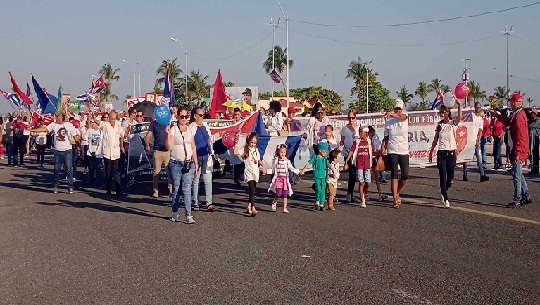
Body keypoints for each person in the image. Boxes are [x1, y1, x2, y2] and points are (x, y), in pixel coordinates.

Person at [490, 93, 533, 208]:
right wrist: (497, 116)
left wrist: (518, 152)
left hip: (519, 148)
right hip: (518, 147)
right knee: (518, 173)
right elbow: (509, 121)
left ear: (514, 103)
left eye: (510, 102)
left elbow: (521, 136)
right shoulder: (517, 114)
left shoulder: (519, 116)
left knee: (516, 175)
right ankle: (526, 195)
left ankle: (517, 199)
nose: (510, 104)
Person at [30, 113, 78, 194]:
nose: (56, 118)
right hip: (57, 151)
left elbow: (75, 135)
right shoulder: (53, 125)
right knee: (56, 170)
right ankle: (56, 186)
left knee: (69, 169)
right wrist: (32, 130)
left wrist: (77, 141)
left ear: (62, 118)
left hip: (67, 151)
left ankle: (70, 187)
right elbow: (44, 129)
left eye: (58, 116)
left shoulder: (69, 125)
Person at [428, 100, 462, 209]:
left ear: (447, 112)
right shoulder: (439, 126)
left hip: (451, 153)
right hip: (442, 153)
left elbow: (459, 117)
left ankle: (443, 190)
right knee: (442, 174)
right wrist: (431, 151)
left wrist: (459, 104)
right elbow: (435, 140)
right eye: (440, 112)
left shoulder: (452, 123)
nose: (441, 114)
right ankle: (445, 196)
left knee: (450, 177)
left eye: (443, 112)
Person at [168, 107, 199, 223]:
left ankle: (188, 215)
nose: (184, 119)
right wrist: (168, 135)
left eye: (186, 117)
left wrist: (196, 163)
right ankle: (175, 213)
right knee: (176, 188)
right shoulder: (174, 129)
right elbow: (169, 147)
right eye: (182, 116)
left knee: (187, 188)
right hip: (175, 162)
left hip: (188, 162)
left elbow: (193, 147)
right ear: (178, 117)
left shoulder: (190, 130)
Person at [382, 99, 409, 209]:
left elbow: (402, 117)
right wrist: (383, 147)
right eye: (396, 108)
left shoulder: (405, 116)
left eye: (399, 109)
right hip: (392, 149)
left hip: (403, 150)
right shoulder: (388, 121)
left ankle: (396, 192)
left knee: (405, 175)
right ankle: (394, 199)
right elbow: (386, 137)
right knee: (394, 174)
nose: (397, 110)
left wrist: (392, 114)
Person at [189, 107, 215, 212]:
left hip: (206, 156)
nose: (202, 117)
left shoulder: (205, 126)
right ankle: (196, 202)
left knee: (208, 180)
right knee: (196, 180)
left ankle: (209, 203)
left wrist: (212, 152)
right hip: (196, 157)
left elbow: (210, 140)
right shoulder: (191, 127)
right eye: (200, 115)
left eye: (203, 115)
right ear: (195, 116)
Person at [234, 132, 265, 216]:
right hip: (248, 172)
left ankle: (249, 205)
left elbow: (258, 160)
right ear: (248, 141)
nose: (253, 144)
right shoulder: (245, 149)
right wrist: (236, 143)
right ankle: (253, 207)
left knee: (252, 190)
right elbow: (236, 152)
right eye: (252, 142)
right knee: (252, 189)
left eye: (254, 143)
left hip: (255, 172)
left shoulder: (256, 150)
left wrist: (263, 166)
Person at [344, 125, 372, 208]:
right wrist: (346, 161)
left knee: (368, 182)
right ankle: (362, 200)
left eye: (361, 132)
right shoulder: (357, 142)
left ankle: (364, 192)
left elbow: (372, 152)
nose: (360, 133)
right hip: (359, 164)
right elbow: (352, 151)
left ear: (366, 133)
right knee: (361, 182)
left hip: (367, 165)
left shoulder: (369, 142)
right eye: (359, 131)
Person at [98, 111, 125, 196]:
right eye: (111, 119)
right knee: (108, 172)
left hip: (116, 153)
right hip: (107, 153)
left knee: (116, 172)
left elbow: (122, 135)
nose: (112, 121)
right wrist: (92, 114)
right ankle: (108, 189)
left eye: (114, 119)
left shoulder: (118, 127)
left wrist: (122, 146)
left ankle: (118, 190)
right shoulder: (106, 125)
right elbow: (98, 122)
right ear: (109, 118)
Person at [145, 112, 172, 198]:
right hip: (157, 151)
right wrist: (147, 144)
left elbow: (173, 135)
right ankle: (155, 190)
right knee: (156, 172)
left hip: (168, 151)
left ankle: (171, 190)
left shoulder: (169, 123)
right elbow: (149, 134)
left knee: (169, 172)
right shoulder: (154, 123)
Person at [268, 144, 301, 214]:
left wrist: (298, 171)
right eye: (281, 152)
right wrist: (266, 171)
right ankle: (274, 201)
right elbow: (273, 170)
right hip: (278, 179)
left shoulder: (287, 161)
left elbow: (291, 168)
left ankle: (284, 208)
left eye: (284, 152)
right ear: (278, 152)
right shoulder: (276, 161)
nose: (282, 154)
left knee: (285, 194)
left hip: (285, 180)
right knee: (278, 194)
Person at [464, 102, 489, 182]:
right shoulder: (471, 115)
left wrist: (479, 139)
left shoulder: (481, 118)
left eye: (479, 107)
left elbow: (480, 130)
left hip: (475, 140)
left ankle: (482, 174)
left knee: (479, 158)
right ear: (474, 107)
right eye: (477, 107)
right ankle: (465, 174)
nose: (478, 108)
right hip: (469, 139)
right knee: (466, 158)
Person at [300, 142, 329, 211]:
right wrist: (304, 169)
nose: (325, 153)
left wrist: (333, 169)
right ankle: (317, 201)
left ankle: (321, 204)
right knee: (318, 189)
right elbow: (309, 163)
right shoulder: (315, 157)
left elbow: (329, 164)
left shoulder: (324, 158)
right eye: (324, 151)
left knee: (323, 190)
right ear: (320, 150)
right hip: (317, 176)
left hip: (324, 176)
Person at [340, 109, 359, 203]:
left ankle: (354, 194)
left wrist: (355, 129)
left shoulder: (358, 128)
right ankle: (349, 194)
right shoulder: (344, 128)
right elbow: (342, 141)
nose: (351, 119)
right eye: (349, 117)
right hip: (348, 153)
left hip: (357, 153)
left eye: (353, 117)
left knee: (356, 174)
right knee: (352, 173)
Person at [369, 126, 388, 201]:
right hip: (366, 160)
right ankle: (365, 193)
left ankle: (380, 193)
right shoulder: (366, 141)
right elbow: (371, 152)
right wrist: (378, 152)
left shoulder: (373, 141)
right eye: (371, 135)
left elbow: (373, 152)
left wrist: (379, 152)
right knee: (366, 179)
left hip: (373, 159)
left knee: (376, 177)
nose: (372, 136)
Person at [86, 119, 104, 188]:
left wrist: (97, 151)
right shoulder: (90, 131)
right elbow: (85, 138)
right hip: (91, 153)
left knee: (98, 169)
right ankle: (91, 182)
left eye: (94, 123)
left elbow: (101, 142)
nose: (93, 124)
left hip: (98, 154)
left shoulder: (100, 132)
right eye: (92, 123)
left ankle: (99, 183)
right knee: (91, 169)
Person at [528, 109, 540, 175]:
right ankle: (532, 168)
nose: (531, 114)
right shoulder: (530, 120)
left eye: (532, 113)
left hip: (535, 138)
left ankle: (536, 169)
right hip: (530, 138)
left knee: (535, 153)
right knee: (531, 153)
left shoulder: (538, 120)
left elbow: (533, 125)